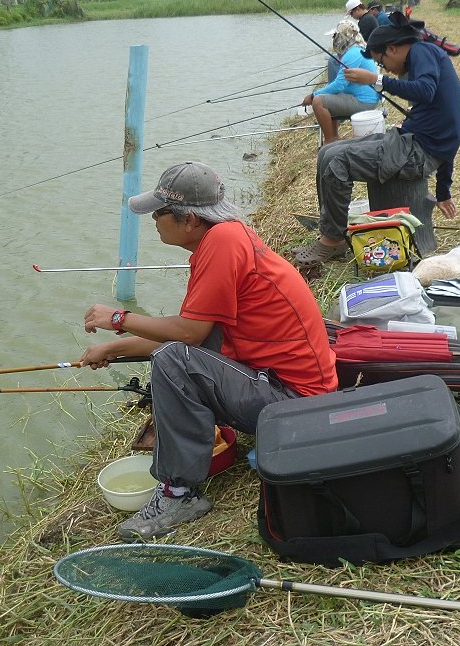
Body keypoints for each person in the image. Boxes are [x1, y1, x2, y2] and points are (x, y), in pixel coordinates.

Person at [81, 162, 338, 540]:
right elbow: (194, 332)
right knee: (179, 353)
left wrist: (119, 317)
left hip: (296, 406)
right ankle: (185, 468)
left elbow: (186, 335)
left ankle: (178, 494)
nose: (154, 219)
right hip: (290, 391)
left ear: (189, 221)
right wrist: (114, 348)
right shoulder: (227, 238)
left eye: (160, 212)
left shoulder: (222, 245)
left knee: (172, 360)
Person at [293, 14, 460, 268]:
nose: (385, 68)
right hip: (409, 142)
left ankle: (332, 241)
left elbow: (425, 92)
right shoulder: (426, 55)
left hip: (416, 153)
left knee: (337, 162)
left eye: (381, 62)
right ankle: (330, 233)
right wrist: (443, 191)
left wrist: (377, 80)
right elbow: (448, 128)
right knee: (327, 153)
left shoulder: (422, 53)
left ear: (392, 49)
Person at [302, 18, 379, 144]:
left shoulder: (353, 53)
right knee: (327, 97)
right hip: (363, 99)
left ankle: (329, 141)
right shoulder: (357, 49)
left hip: (364, 102)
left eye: (335, 36)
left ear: (343, 36)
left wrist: (312, 95)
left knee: (318, 102)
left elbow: (339, 85)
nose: (334, 40)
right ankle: (334, 138)